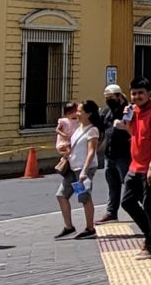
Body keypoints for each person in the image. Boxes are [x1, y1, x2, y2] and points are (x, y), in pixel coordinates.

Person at [118, 79, 151, 256]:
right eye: (133, 93)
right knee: (127, 201)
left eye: (140, 93)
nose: (136, 96)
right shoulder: (133, 110)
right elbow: (133, 133)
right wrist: (128, 120)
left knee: (150, 204)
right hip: (135, 166)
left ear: (149, 93)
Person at [53, 101, 99, 238]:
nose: (77, 114)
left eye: (80, 111)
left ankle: (90, 228)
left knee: (84, 197)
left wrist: (85, 171)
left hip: (83, 169)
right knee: (61, 195)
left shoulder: (92, 130)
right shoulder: (77, 128)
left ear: (89, 113)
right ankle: (69, 226)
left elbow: (91, 152)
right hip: (72, 168)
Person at [95, 90, 127, 222]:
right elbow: (101, 132)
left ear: (119, 96)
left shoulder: (127, 110)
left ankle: (146, 209)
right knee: (112, 184)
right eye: (107, 97)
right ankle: (111, 212)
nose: (109, 100)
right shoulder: (105, 112)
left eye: (111, 97)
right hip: (109, 154)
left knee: (131, 184)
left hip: (125, 153)